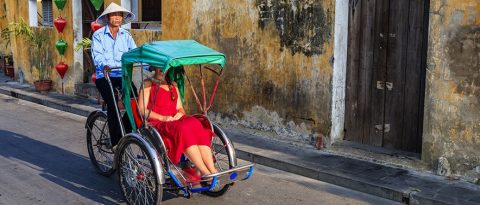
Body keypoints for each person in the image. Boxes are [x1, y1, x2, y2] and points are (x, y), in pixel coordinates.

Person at [137, 67, 218, 176]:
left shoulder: (173, 84)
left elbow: (180, 108)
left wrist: (179, 113)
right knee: (182, 129)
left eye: (164, 68)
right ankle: (205, 172)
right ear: (155, 67)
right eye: (159, 67)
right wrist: (163, 118)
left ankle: (212, 170)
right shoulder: (148, 84)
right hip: (158, 123)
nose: (162, 70)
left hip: (176, 120)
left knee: (196, 123)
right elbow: (142, 110)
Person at [91, 3, 137, 148]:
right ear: (108, 17)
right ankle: (115, 141)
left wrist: (150, 65)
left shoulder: (126, 35)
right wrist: (103, 65)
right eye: (114, 15)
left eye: (119, 15)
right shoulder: (98, 35)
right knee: (113, 104)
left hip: (122, 75)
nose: (117, 18)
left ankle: (123, 131)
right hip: (104, 75)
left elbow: (134, 53)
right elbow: (97, 55)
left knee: (136, 103)